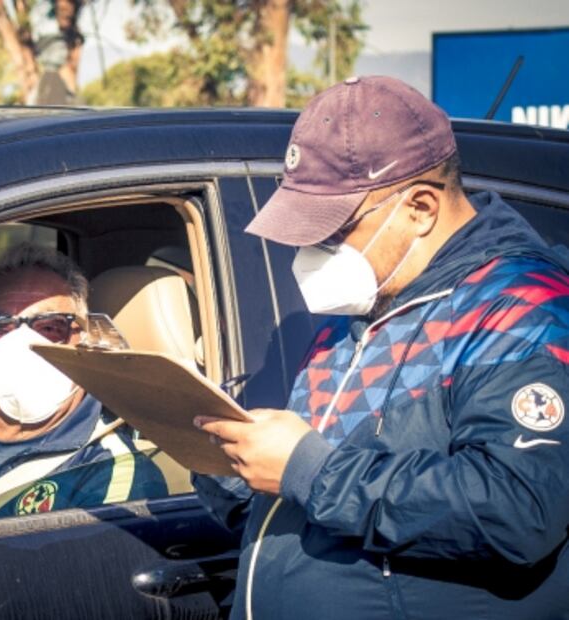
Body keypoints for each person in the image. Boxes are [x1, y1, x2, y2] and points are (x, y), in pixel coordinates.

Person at [193, 75, 569, 619]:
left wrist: (310, 472)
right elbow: (314, 494)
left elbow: (517, 509)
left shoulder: (525, 305)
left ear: (420, 208)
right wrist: (234, 469)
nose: (308, 251)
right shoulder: (357, 306)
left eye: (330, 229)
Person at [0, 243, 166, 525]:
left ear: (85, 346)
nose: (22, 344)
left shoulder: (110, 473)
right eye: (0, 327)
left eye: (50, 327)